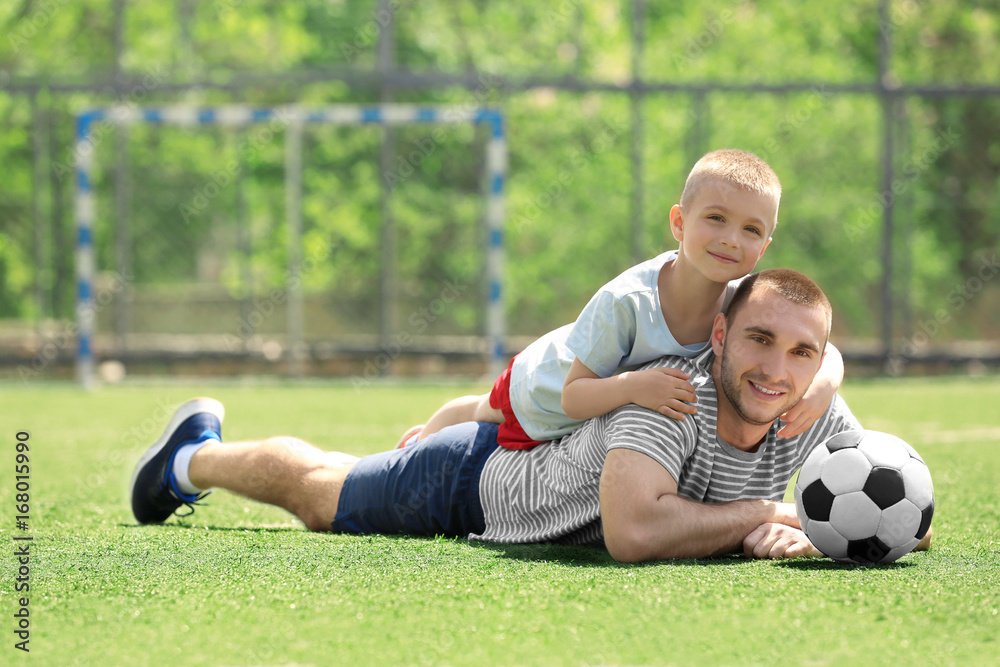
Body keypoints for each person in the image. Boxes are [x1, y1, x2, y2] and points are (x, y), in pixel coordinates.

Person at [131, 269, 928, 561]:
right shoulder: (669, 395)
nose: (775, 369)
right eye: (759, 339)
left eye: (802, 352)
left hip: (515, 457)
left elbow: (908, 512)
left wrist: (819, 529)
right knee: (319, 494)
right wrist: (768, 511)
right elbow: (634, 532)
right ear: (719, 336)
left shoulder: (813, 403)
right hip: (476, 481)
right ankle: (192, 456)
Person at [403, 149, 844, 452]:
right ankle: (422, 437)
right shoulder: (628, 300)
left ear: (764, 246)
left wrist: (825, 384)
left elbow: (819, 344)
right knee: (482, 411)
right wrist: (635, 387)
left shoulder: (741, 299)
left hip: (598, 414)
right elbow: (574, 397)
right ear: (679, 222)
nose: (731, 239)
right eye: (716, 218)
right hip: (546, 386)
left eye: (751, 230)